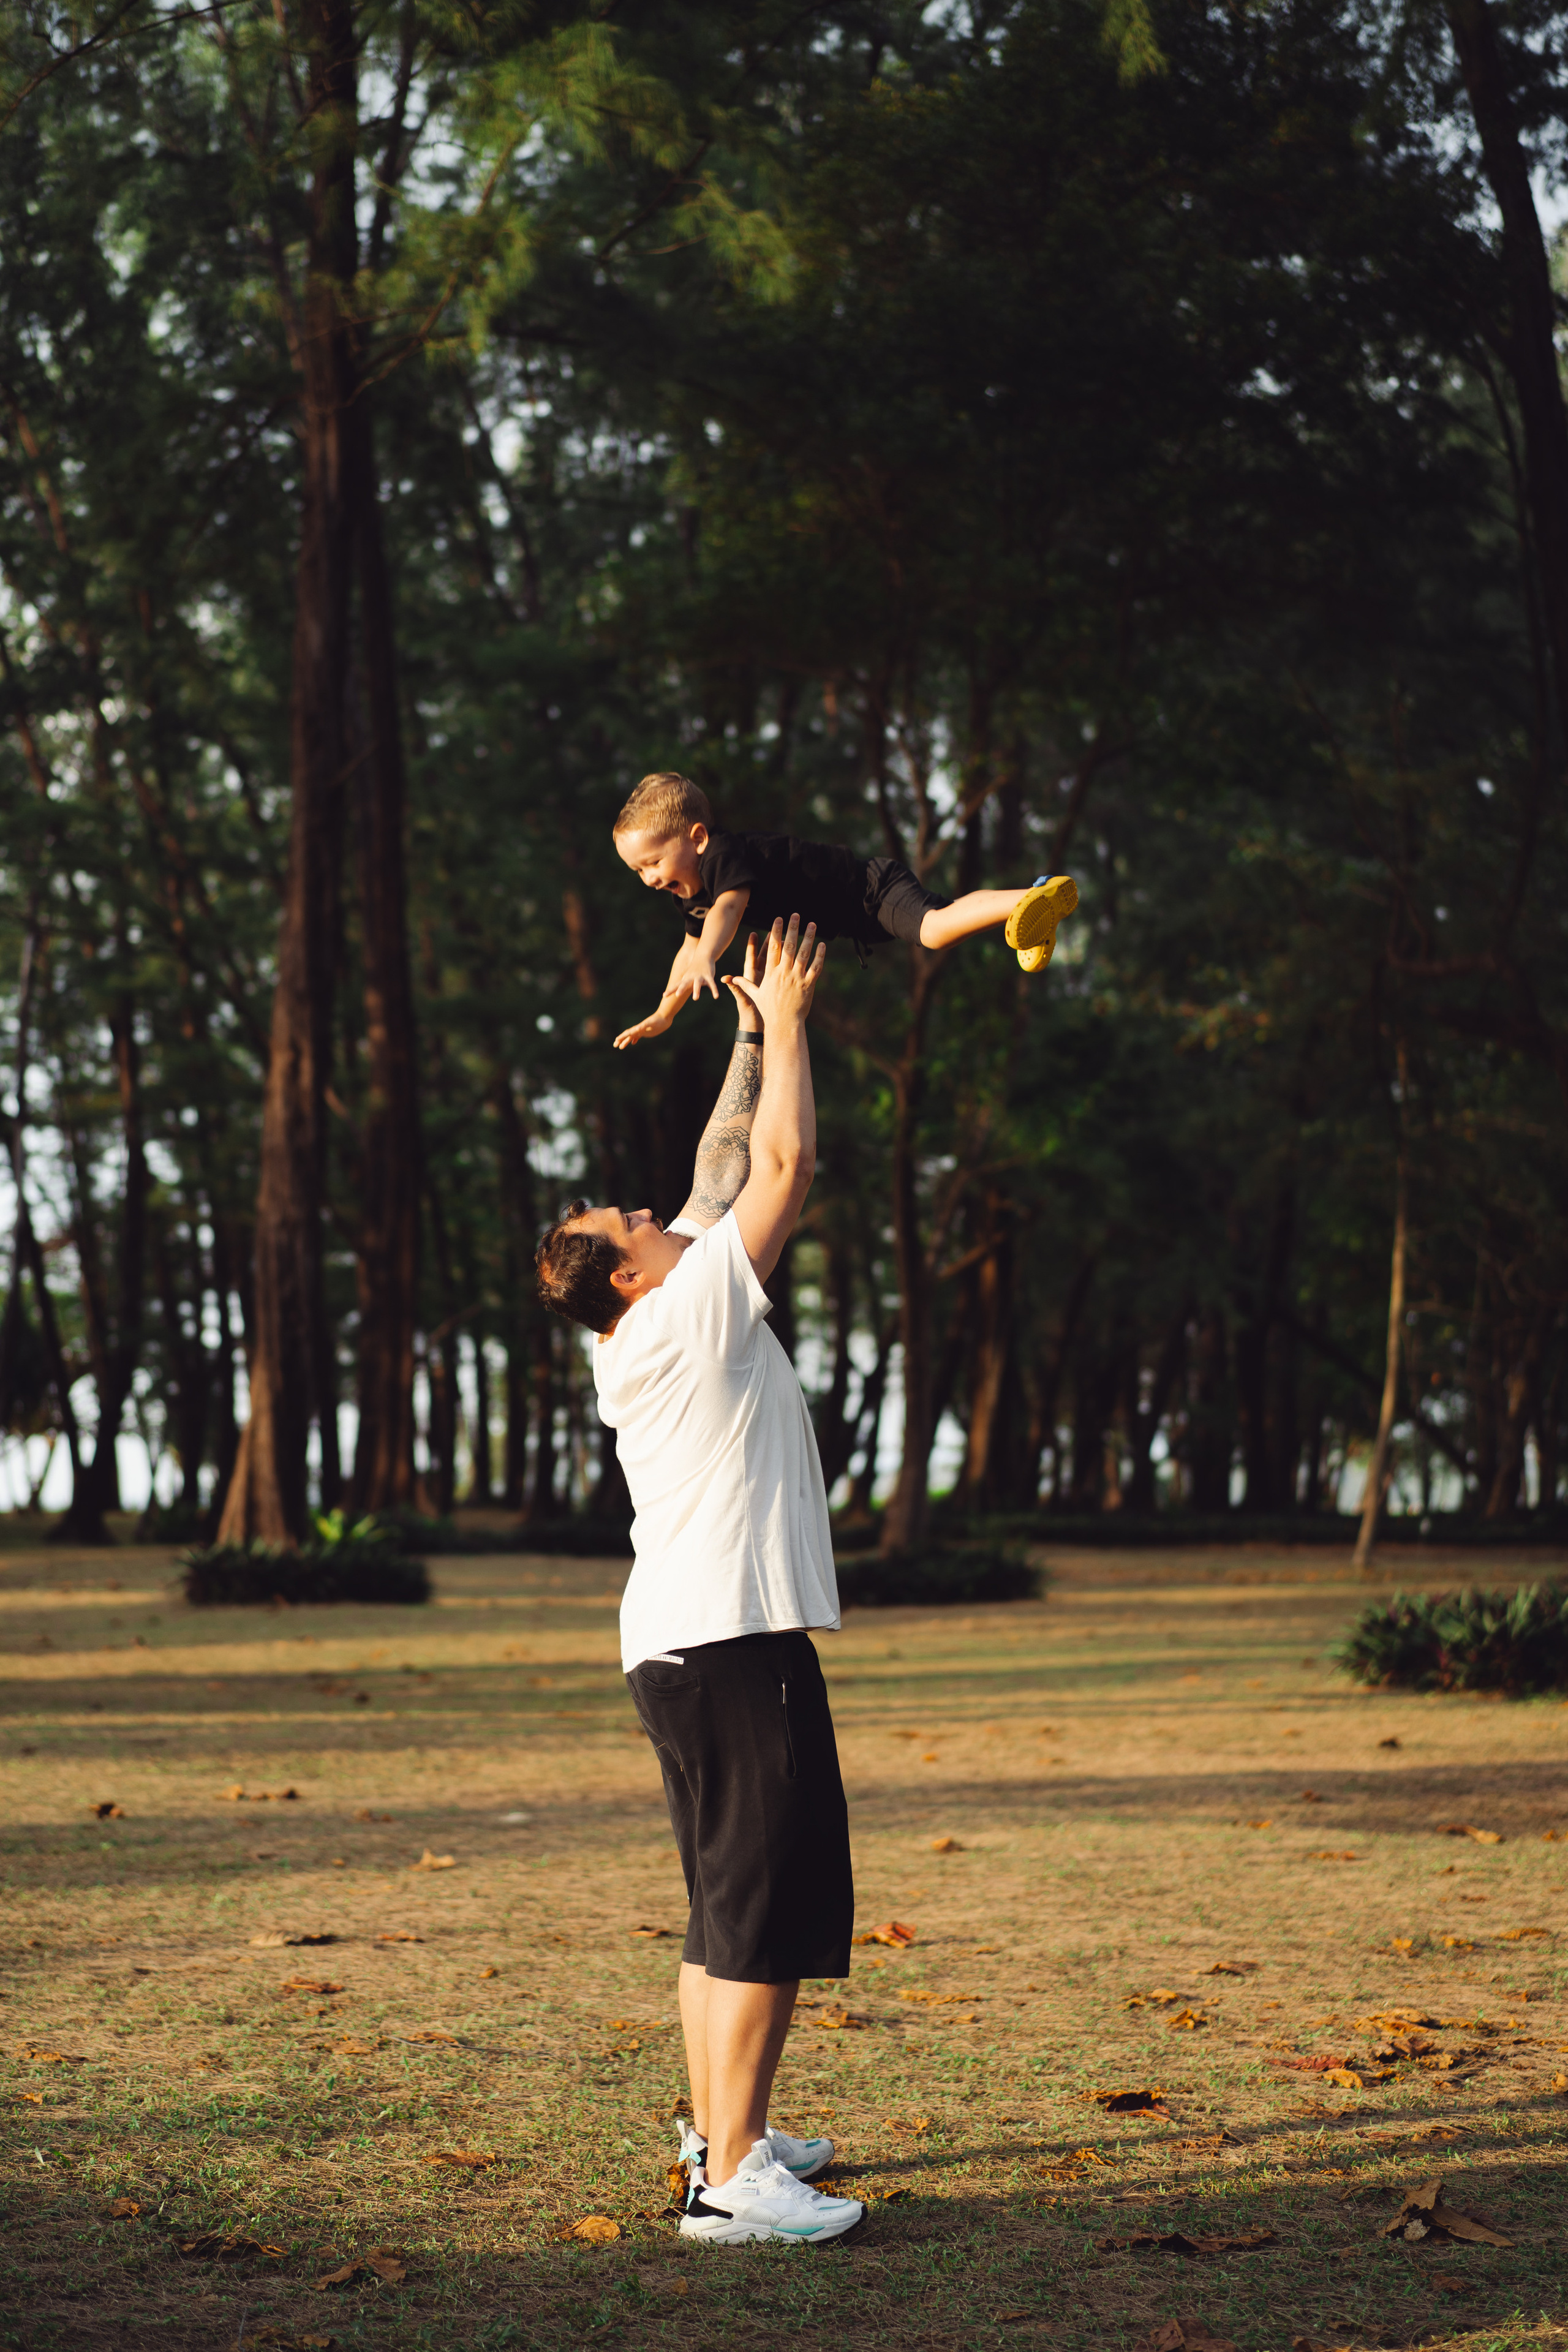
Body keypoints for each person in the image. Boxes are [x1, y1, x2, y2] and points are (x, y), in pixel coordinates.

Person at [535, 916, 864, 2247]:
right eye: (631, 1219)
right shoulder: (690, 1308)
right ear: (628, 1271)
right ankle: (732, 2179)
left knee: (724, 1903)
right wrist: (788, 1017)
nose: (652, 1208)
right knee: (764, 1908)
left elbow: (719, 1159)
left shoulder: (651, 1317)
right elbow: (781, 1161)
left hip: (678, 1645)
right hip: (729, 1642)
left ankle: (724, 2128)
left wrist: (734, 1028)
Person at [610, 769, 1077, 1050]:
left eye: (653, 862)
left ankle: (1034, 895)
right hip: (859, 914)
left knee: (935, 928)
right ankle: (1038, 917)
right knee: (942, 920)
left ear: (696, 838)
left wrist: (711, 955)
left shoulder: (722, 857)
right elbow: (687, 956)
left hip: (869, 889)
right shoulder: (690, 895)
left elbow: (728, 911)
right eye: (637, 871)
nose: (650, 878)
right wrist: (664, 1012)